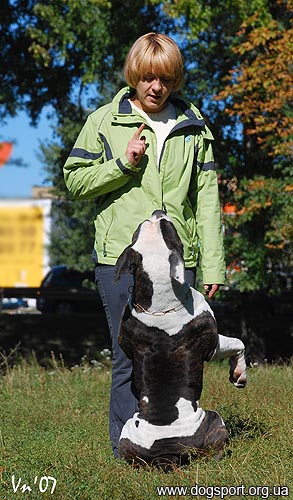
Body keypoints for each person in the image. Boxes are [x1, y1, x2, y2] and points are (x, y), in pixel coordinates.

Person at [63, 32, 226, 458]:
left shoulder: (194, 126)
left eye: (166, 79)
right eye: (149, 77)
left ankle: (178, 442)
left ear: (175, 81)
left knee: (181, 354)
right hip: (122, 261)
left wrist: (212, 265)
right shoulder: (104, 120)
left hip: (177, 263)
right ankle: (127, 451)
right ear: (135, 75)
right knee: (127, 358)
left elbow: (207, 200)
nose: (157, 87)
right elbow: (74, 180)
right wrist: (123, 164)